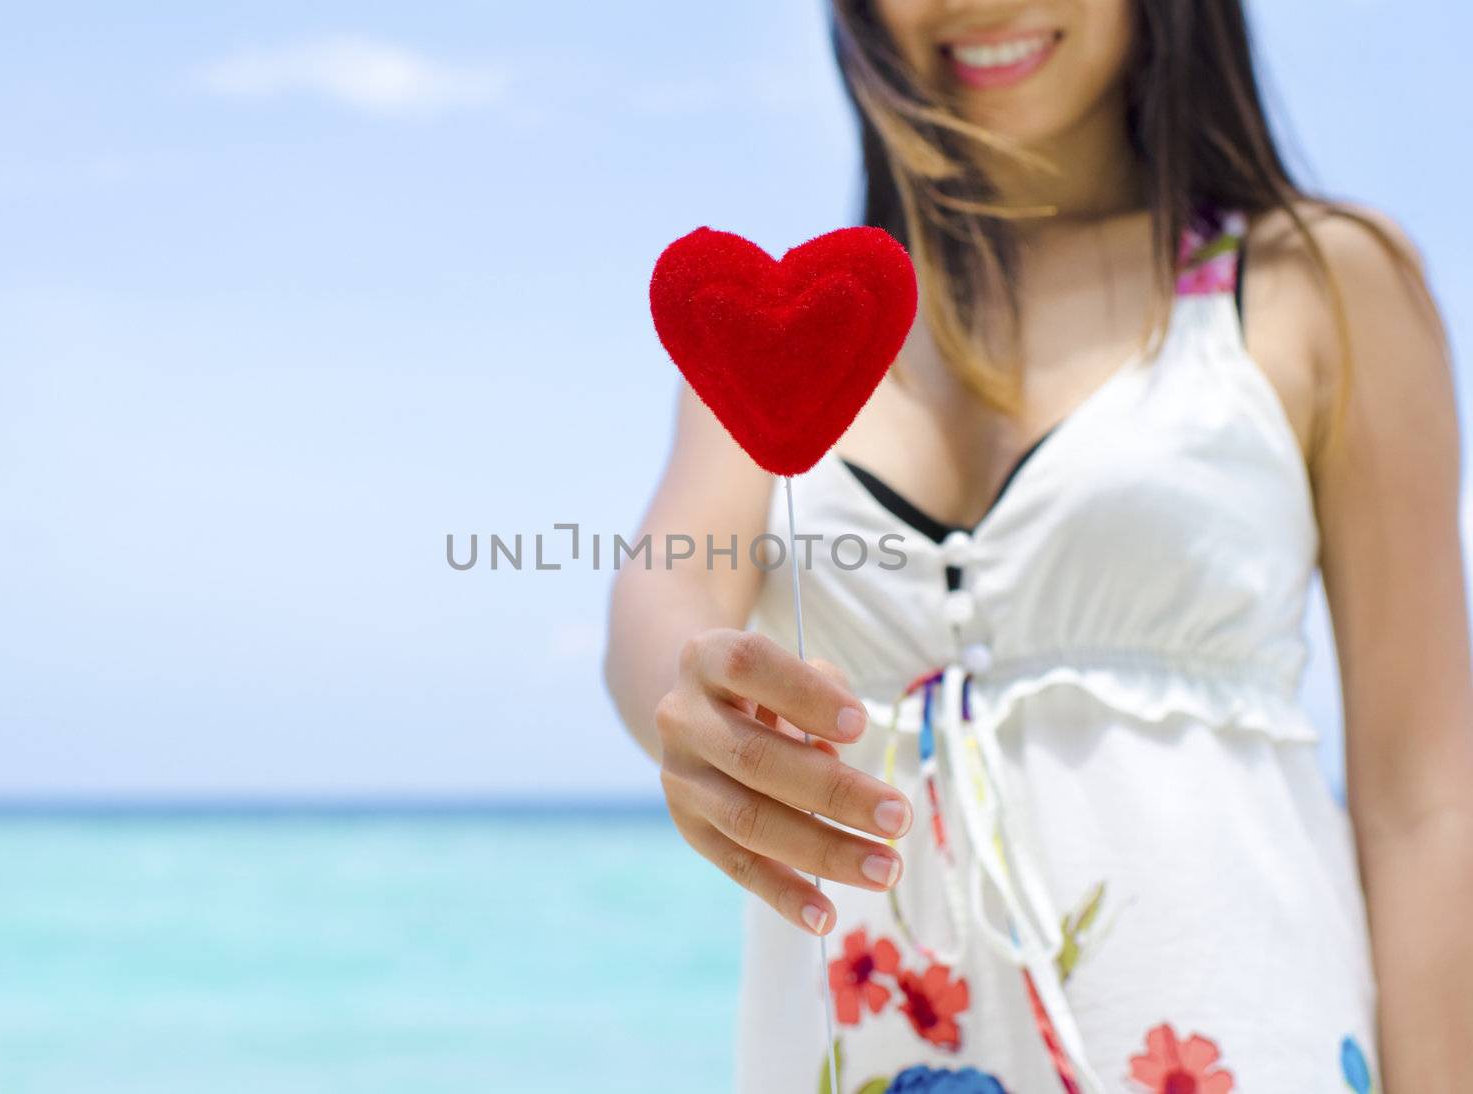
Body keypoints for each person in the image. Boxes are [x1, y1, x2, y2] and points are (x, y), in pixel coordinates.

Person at [603, 1, 1472, 1090]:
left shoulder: (1317, 281)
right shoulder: (774, 344)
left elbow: (1422, 801)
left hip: (1244, 1035)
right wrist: (692, 701)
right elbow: (668, 585)